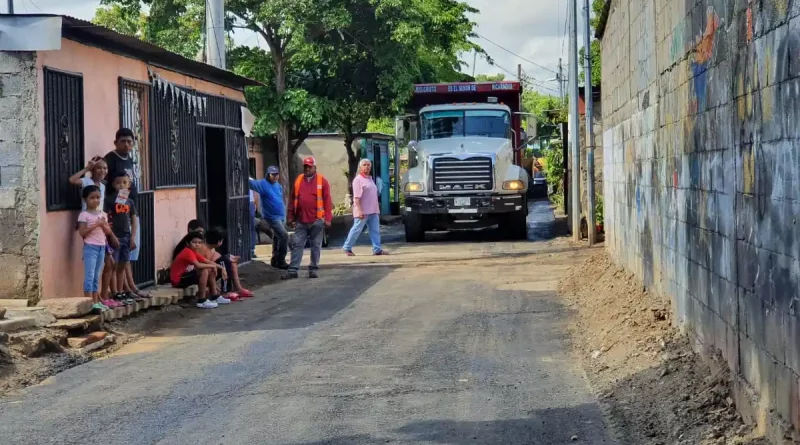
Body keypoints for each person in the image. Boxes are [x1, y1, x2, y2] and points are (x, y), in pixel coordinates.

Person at [104, 128, 150, 299]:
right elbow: (105, 184)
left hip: (130, 210)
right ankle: (122, 291)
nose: (126, 144)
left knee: (127, 256)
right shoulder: (111, 159)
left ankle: (130, 287)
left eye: (129, 141)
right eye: (122, 141)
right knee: (118, 259)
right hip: (118, 215)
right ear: (116, 142)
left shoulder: (129, 159)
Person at [69, 157, 116, 302]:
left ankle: (99, 298)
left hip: (100, 223)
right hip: (90, 224)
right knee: (93, 270)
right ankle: (94, 299)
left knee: (103, 266)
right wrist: (86, 169)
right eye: (99, 168)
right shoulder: (86, 182)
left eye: (105, 168)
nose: (102, 171)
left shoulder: (102, 185)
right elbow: (72, 180)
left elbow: (101, 206)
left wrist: (105, 226)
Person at [286, 156, 332, 279]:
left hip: (317, 220)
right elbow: (292, 200)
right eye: (305, 166)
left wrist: (328, 218)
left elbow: (327, 201)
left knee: (316, 245)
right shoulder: (298, 180)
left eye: (309, 167)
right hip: (301, 220)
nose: (307, 169)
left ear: (314, 168)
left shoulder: (322, 181)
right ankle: (293, 270)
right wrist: (290, 217)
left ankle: (313, 269)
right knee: (297, 244)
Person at [77, 186, 120, 311]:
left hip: (101, 247)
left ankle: (95, 301)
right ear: (85, 199)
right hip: (90, 248)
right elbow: (82, 232)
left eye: (98, 198)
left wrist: (103, 225)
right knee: (89, 276)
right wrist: (96, 224)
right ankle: (88, 302)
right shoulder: (84, 215)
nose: (95, 200)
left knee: (96, 276)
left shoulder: (103, 214)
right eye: (92, 198)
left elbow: (107, 231)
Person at [342, 158, 389, 256]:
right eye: (364, 165)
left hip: (373, 210)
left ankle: (377, 249)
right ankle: (347, 247)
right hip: (363, 211)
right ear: (360, 167)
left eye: (368, 165)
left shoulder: (370, 179)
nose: (366, 167)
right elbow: (357, 197)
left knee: (375, 231)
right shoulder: (358, 180)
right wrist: (359, 211)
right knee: (356, 230)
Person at [104, 171, 137, 305]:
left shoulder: (130, 201)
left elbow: (134, 220)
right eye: (118, 183)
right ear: (113, 184)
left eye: (124, 182)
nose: (121, 185)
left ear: (129, 184)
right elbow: (105, 218)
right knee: (114, 264)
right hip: (115, 237)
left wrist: (132, 238)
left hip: (126, 236)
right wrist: (110, 236)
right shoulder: (109, 200)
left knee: (123, 264)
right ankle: (115, 292)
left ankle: (121, 290)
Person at [249, 165, 289, 269]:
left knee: (277, 237)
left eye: (277, 174)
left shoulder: (277, 185)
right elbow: (249, 183)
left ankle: (275, 260)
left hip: (281, 216)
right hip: (272, 217)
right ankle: (281, 260)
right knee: (284, 236)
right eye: (273, 174)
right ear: (268, 174)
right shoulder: (262, 184)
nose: (275, 176)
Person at [170, 231, 222, 309]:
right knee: (204, 271)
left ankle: (215, 296)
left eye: (199, 242)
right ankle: (201, 300)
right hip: (178, 280)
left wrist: (222, 268)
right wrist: (212, 266)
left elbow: (207, 261)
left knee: (208, 269)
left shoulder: (193, 252)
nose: (197, 244)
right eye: (194, 242)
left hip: (185, 276)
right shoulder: (187, 252)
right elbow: (198, 265)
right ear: (188, 243)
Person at [202, 227, 254, 299]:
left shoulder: (211, 248)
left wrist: (230, 257)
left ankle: (238, 288)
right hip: (204, 274)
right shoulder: (203, 249)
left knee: (230, 261)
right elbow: (205, 264)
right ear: (219, 241)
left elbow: (218, 257)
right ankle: (226, 291)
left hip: (210, 272)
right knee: (224, 261)